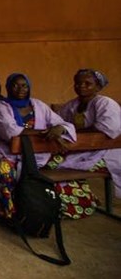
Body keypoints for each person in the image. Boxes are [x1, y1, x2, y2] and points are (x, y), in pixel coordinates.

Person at [0, 73, 76, 221]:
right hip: (8, 153)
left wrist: (59, 129)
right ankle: (4, 211)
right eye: (15, 85)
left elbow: (60, 123)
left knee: (69, 166)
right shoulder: (2, 106)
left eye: (24, 85)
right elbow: (10, 131)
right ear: (8, 87)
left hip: (38, 154)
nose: (20, 89)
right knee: (2, 170)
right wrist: (46, 133)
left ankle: (45, 207)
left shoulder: (38, 105)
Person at [52, 69, 121, 218]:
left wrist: (70, 133)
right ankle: (80, 201)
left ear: (98, 87)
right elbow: (58, 122)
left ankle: (79, 203)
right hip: (81, 150)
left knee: (54, 166)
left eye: (87, 84)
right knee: (49, 164)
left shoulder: (105, 103)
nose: (81, 86)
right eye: (78, 83)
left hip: (106, 152)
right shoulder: (72, 105)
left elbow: (109, 130)